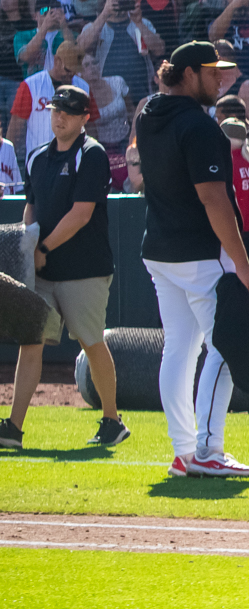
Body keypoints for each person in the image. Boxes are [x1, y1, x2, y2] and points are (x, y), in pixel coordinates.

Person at [133, 41, 249, 479]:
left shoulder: (149, 114)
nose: (220, 78)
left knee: (180, 349)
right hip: (199, 255)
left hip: (160, 252)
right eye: (211, 71)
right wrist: (243, 265)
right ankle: (207, 449)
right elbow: (214, 201)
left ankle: (185, 451)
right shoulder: (201, 128)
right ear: (189, 74)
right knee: (226, 344)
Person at [1, 87, 123, 452]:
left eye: (69, 112)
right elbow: (31, 208)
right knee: (31, 341)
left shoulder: (92, 154)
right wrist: (29, 247)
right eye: (56, 110)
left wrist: (43, 247)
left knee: (91, 341)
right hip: (43, 271)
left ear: (85, 118)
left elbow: (81, 214)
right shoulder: (38, 156)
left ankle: (112, 420)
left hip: (84, 269)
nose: (60, 117)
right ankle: (13, 427)